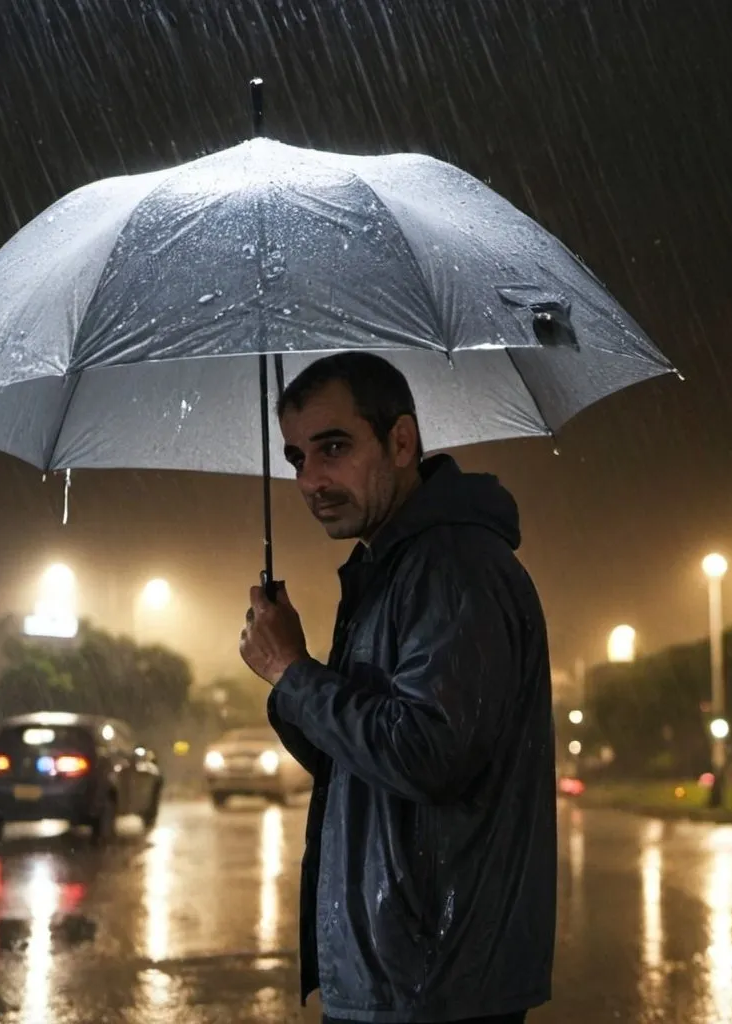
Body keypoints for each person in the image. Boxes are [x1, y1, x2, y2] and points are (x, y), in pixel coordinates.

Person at [239, 352, 556, 1024]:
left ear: (402, 441)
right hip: (401, 973)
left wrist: (293, 673)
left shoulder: (452, 568)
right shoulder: (389, 570)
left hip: (433, 978)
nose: (311, 480)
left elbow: (426, 754)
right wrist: (292, 680)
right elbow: (358, 764)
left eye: (333, 447)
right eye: (296, 457)